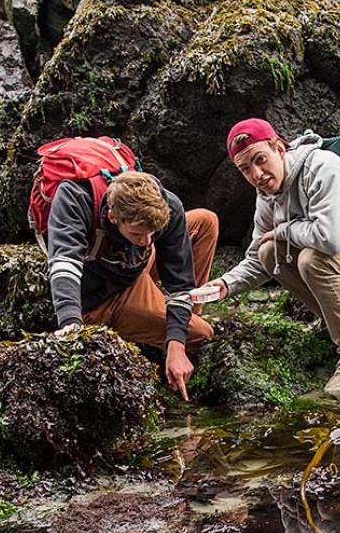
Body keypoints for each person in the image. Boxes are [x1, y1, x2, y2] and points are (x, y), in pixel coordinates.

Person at [199, 118, 340, 395]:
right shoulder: (267, 193)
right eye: (245, 169)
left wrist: (285, 230)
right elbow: (257, 257)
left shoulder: (323, 168)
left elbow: (330, 238)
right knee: (269, 251)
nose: (257, 174)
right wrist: (224, 285)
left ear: (279, 148)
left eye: (260, 159)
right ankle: (332, 325)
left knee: (313, 260)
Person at [47, 169, 218, 400]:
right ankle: (174, 325)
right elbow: (64, 266)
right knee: (202, 335)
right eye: (138, 233)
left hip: (133, 265)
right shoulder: (74, 199)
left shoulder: (167, 206)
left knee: (205, 221)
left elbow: (180, 284)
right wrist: (70, 326)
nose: (147, 241)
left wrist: (176, 343)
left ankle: (178, 322)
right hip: (103, 298)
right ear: (113, 217)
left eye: (153, 233)